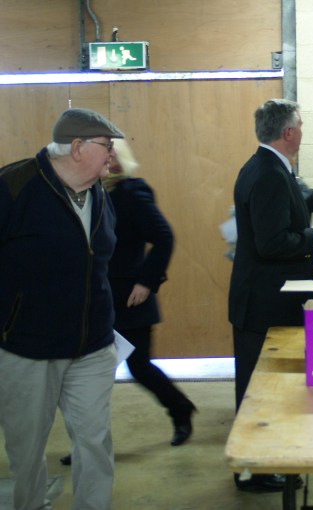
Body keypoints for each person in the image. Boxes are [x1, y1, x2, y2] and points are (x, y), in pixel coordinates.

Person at [0, 108, 124, 510]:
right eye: (107, 145)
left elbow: (100, 261)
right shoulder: (13, 186)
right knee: (26, 447)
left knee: (95, 441)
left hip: (92, 347)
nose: (113, 154)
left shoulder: (100, 193)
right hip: (28, 348)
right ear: (77, 147)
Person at [228, 98, 313, 492]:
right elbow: (272, 242)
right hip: (264, 306)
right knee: (259, 391)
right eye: (300, 125)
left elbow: (289, 207)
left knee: (263, 388)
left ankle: (260, 464)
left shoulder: (268, 167)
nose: (302, 131)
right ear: (288, 132)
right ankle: (253, 472)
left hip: (265, 301)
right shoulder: (268, 174)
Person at [105, 138, 197, 446]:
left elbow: (163, 236)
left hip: (129, 298)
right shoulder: (89, 193)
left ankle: (180, 409)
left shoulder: (132, 192)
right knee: (92, 375)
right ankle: (89, 443)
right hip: (98, 297)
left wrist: (146, 281)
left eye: (111, 153)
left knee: (139, 366)